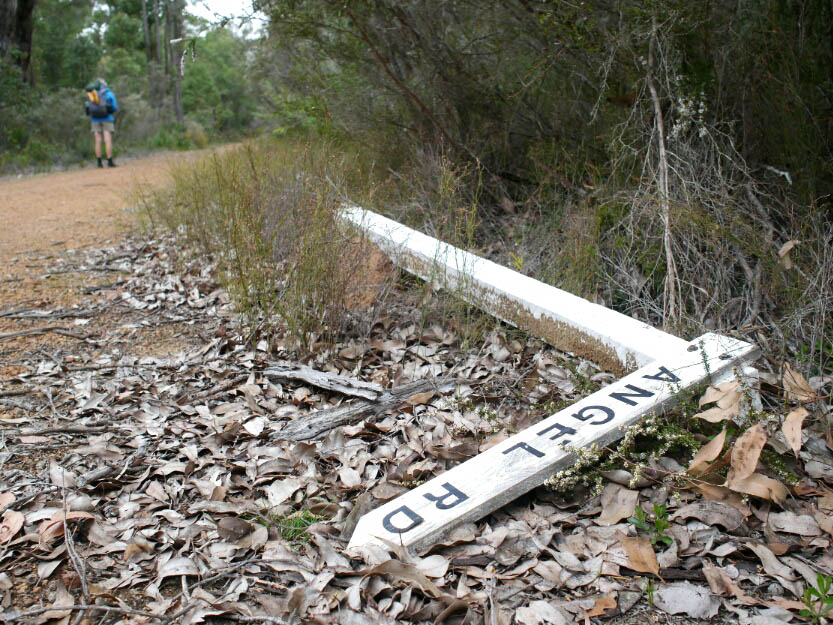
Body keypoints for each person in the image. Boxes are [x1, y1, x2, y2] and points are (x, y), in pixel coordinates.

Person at [85, 78, 118, 168]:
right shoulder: (109, 94)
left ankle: (99, 162)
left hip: (95, 119)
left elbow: (88, 108)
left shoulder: (91, 94)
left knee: (97, 140)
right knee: (107, 139)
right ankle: (109, 161)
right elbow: (114, 107)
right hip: (107, 118)